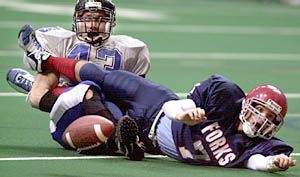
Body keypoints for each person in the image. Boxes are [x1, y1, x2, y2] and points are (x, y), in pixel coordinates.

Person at [18, 30, 297, 172]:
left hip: (149, 139)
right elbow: (178, 106)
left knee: (93, 103)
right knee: (100, 76)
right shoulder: (225, 95)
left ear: (275, 126)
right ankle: (44, 60)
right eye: (259, 110)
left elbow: (256, 161)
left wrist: (274, 164)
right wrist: (185, 115)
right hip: (157, 105)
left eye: (269, 118)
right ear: (247, 103)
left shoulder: (255, 147)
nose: (260, 119)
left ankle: (123, 143)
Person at [7, 0, 150, 103]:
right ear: (77, 19)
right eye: (87, 19)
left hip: (108, 100)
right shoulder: (59, 39)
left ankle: (36, 87)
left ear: (111, 22)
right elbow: (33, 64)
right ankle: (41, 79)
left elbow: (137, 88)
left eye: (100, 19)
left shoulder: (132, 48)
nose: (93, 25)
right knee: (47, 70)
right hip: (71, 104)